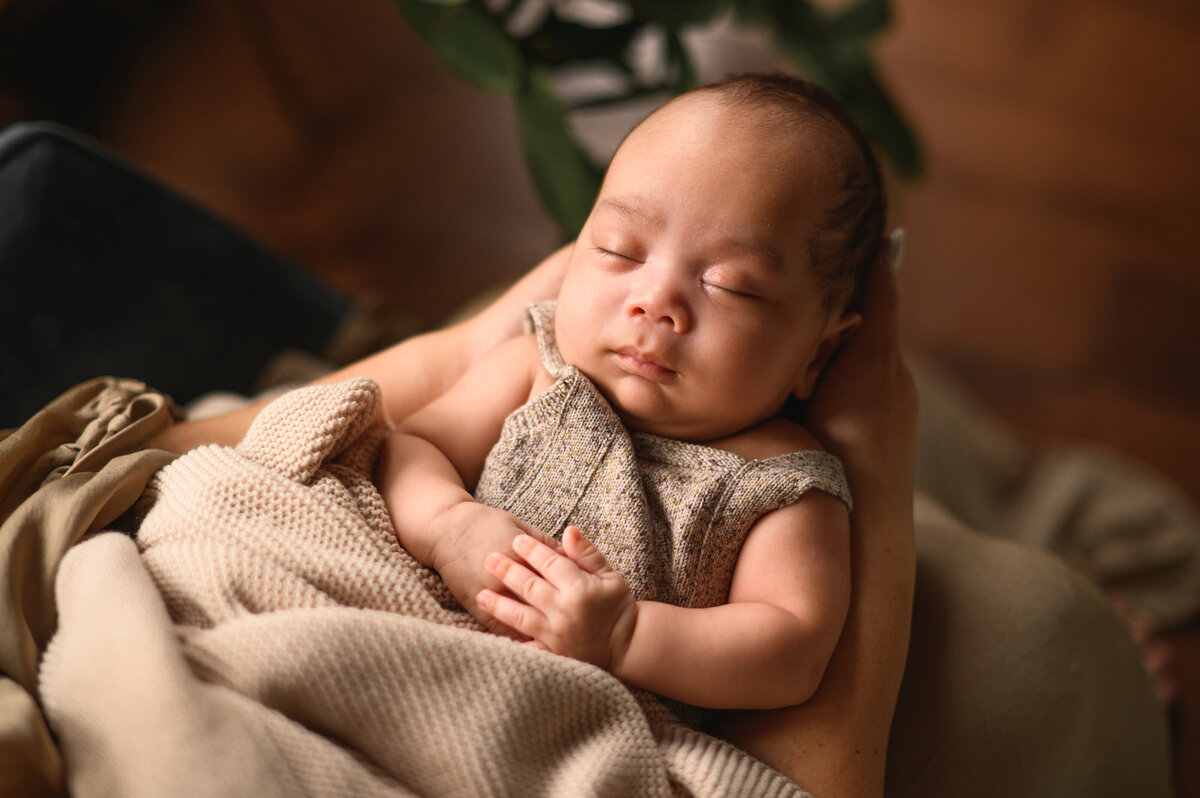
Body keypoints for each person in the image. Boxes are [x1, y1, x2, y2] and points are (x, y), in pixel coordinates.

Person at [374, 73, 888, 729]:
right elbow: (411, 445)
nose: (657, 302)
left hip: (576, 725)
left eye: (733, 288)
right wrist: (450, 526)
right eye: (621, 249)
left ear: (816, 353)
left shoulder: (782, 481)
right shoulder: (539, 368)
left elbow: (792, 646)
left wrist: (625, 637)